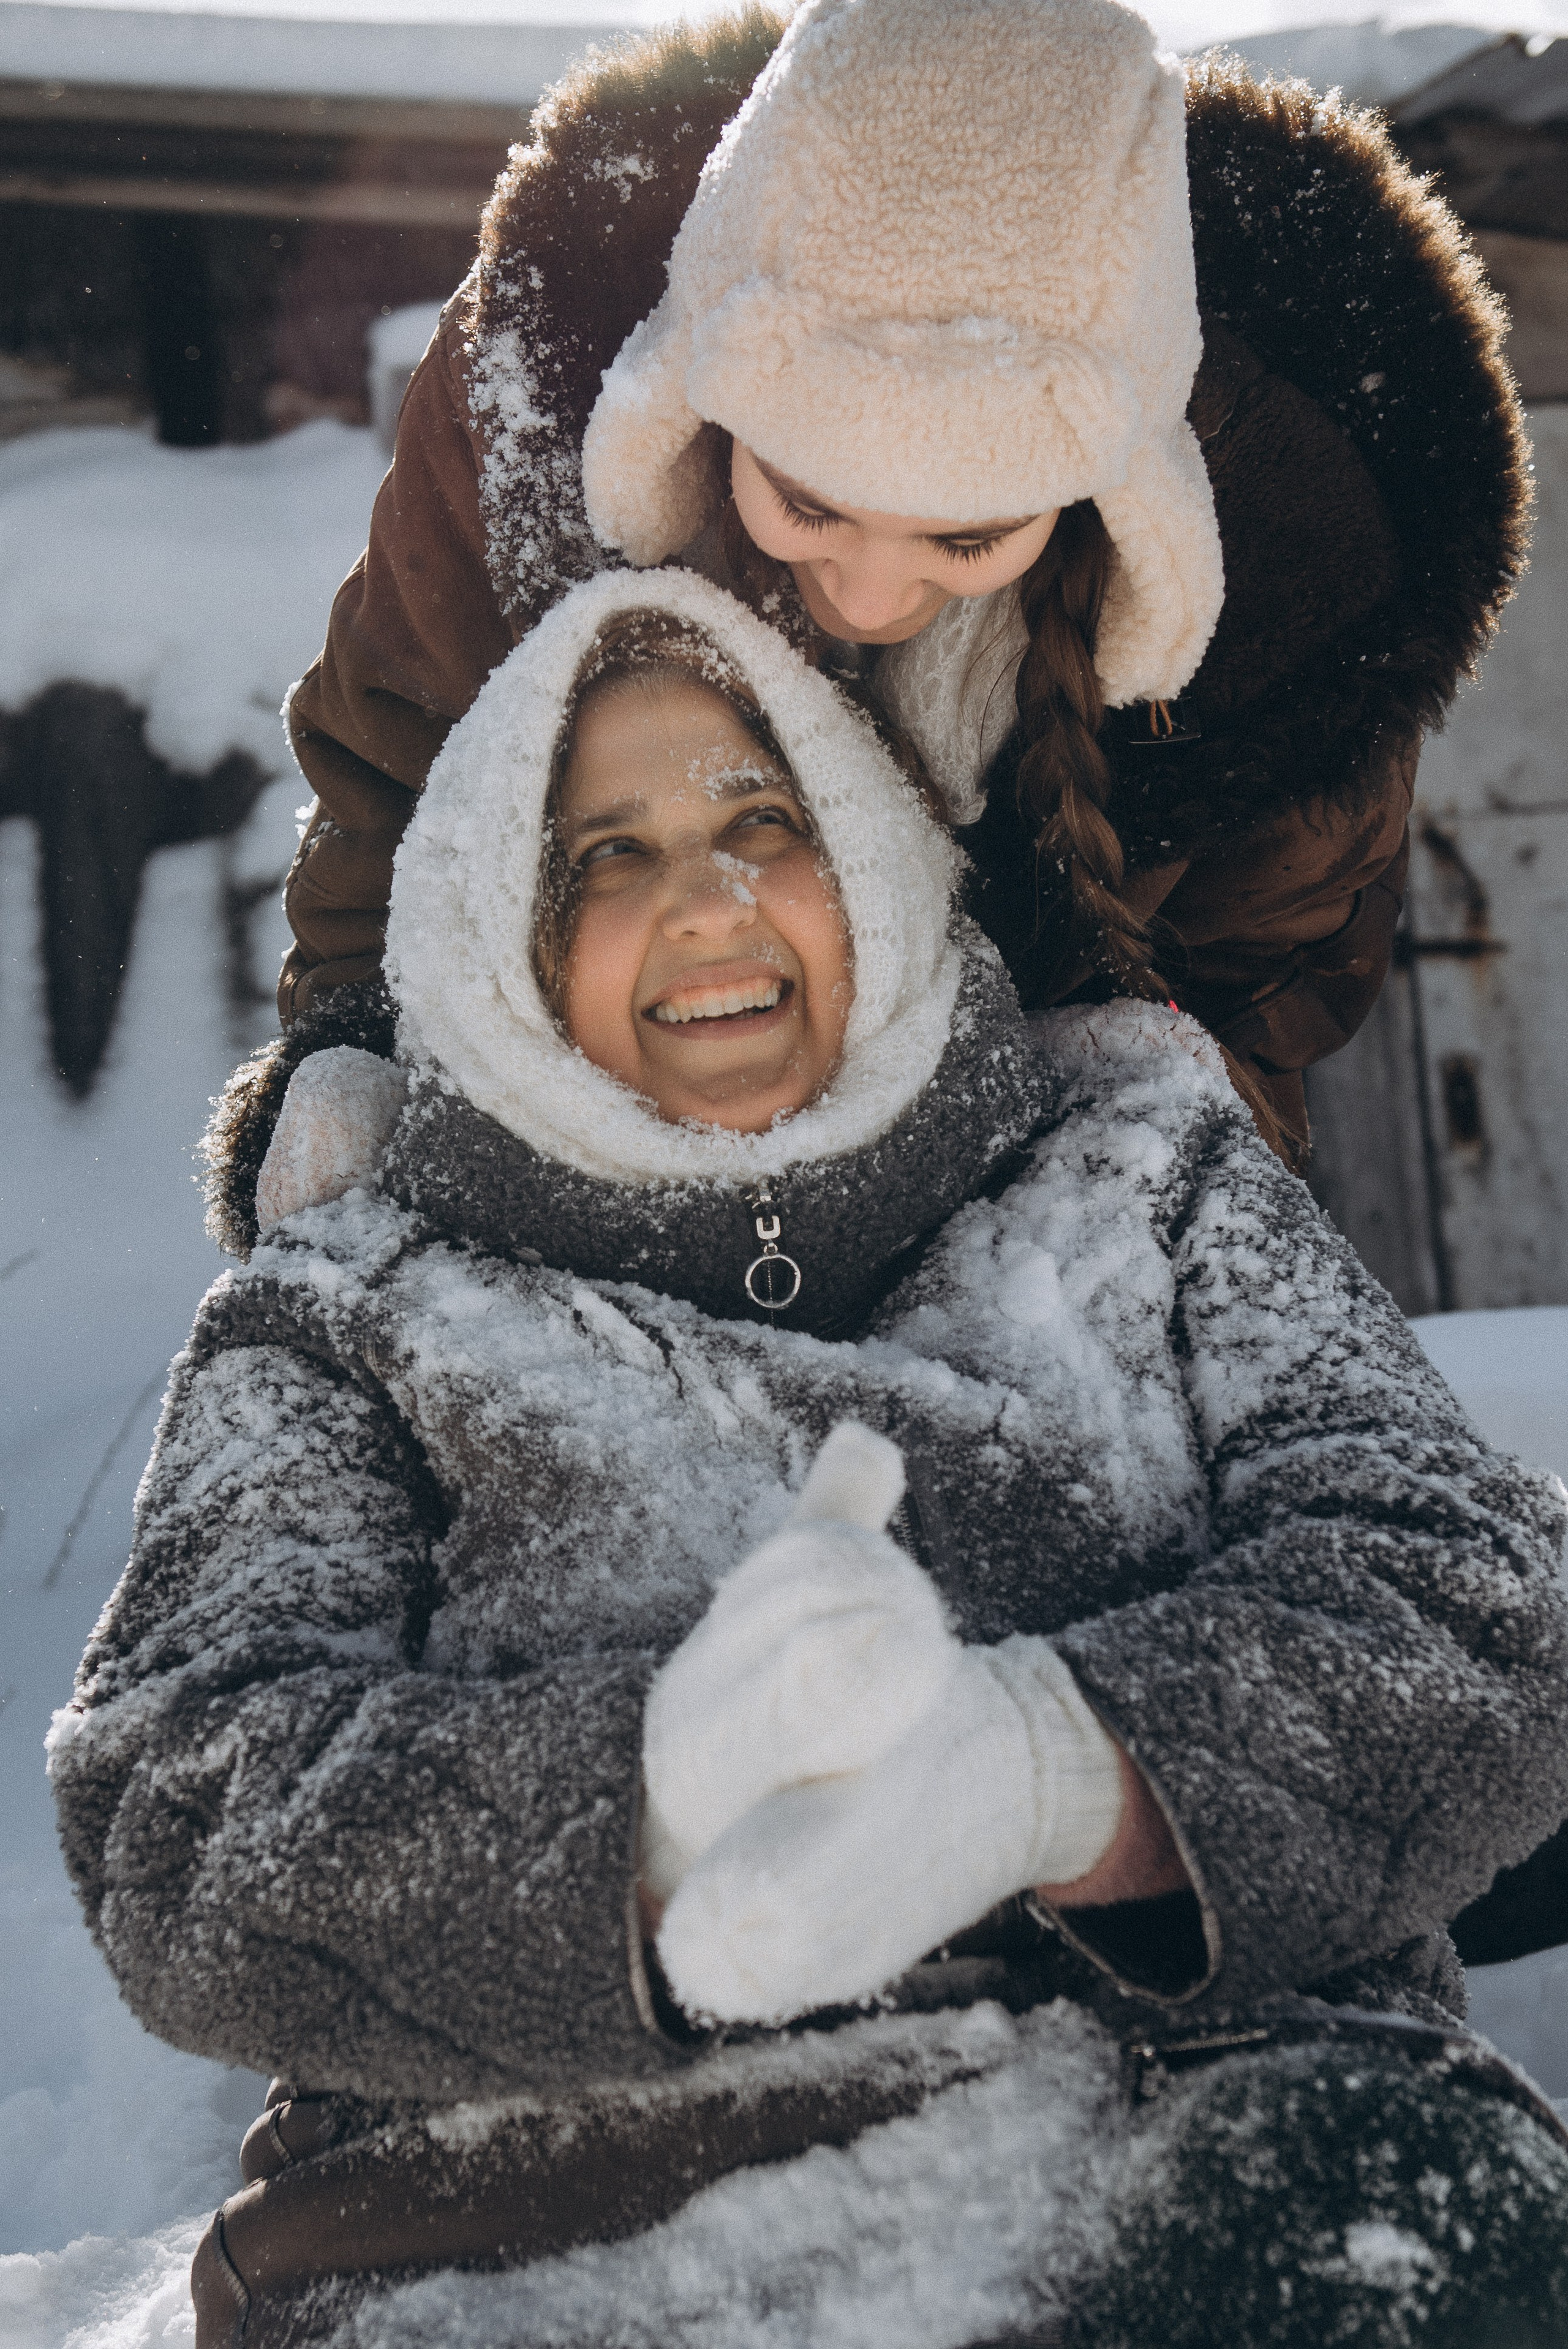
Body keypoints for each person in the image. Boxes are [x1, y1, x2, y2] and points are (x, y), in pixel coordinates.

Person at [53, 573, 1568, 2347]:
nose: (700, 898)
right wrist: (656, 1827)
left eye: (759, 817)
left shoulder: (1139, 1177)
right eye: (600, 856)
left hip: (1199, 2153)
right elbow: (182, 1807)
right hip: (548, 2236)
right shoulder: (353, 1304)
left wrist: (1041, 1774)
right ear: (502, 933)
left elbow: (1478, 1600)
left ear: (870, 850)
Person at [273, 0, 1527, 1180]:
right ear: (690, 399)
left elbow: (1265, 971)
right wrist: (357, 1046)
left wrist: (1144, 1146)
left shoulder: (1304, 585)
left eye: (966, 537)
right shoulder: (533, 418)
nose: (871, 597)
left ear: (1120, 489)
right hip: (588, 1162)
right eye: (807, 504)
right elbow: (399, 766)